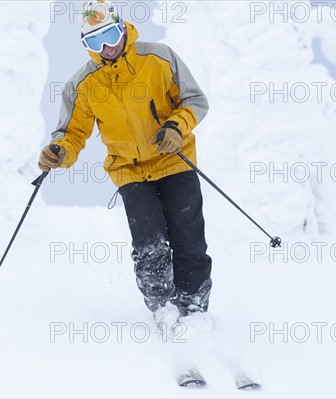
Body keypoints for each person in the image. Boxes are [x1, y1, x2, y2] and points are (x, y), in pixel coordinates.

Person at [39, 1, 212, 333]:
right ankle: (163, 307)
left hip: (174, 161)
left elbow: (194, 100)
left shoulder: (159, 58)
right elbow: (72, 132)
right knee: (150, 244)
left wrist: (176, 128)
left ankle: (194, 305)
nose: (106, 47)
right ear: (85, 45)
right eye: (94, 42)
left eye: (109, 35)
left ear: (122, 28)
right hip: (130, 172)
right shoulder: (84, 84)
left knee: (188, 239)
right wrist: (60, 151)